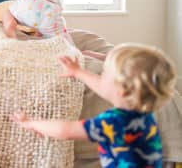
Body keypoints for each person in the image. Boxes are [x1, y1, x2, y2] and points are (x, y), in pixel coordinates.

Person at [12, 43, 177, 168]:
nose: (101, 76)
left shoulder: (113, 122)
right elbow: (104, 88)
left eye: (104, 73)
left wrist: (32, 123)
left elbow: (66, 131)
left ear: (122, 91)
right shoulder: (145, 114)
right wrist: (78, 72)